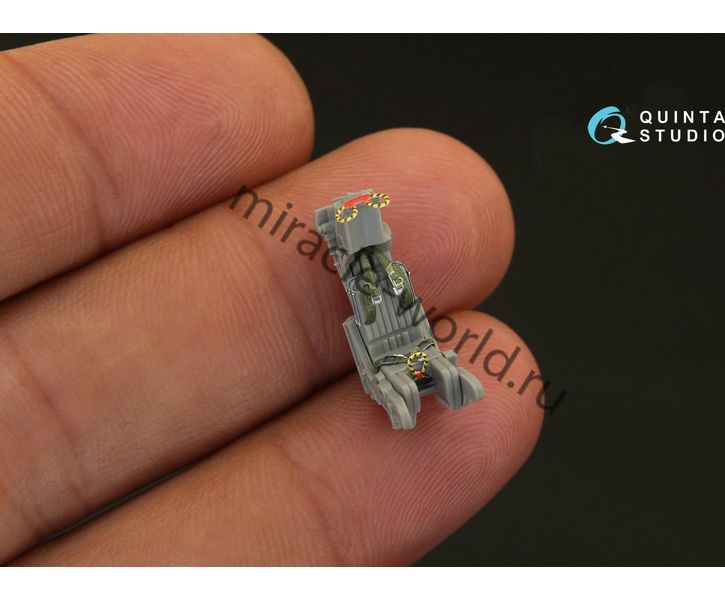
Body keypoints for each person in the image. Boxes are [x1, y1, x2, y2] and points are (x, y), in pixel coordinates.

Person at [0, 33, 543, 565]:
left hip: (410, 341)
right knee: (400, 359)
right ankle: (410, 387)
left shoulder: (391, 275)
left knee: (429, 354)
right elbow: (367, 321)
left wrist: (403, 310)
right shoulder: (365, 284)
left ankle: (442, 379)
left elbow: (401, 303)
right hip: (386, 353)